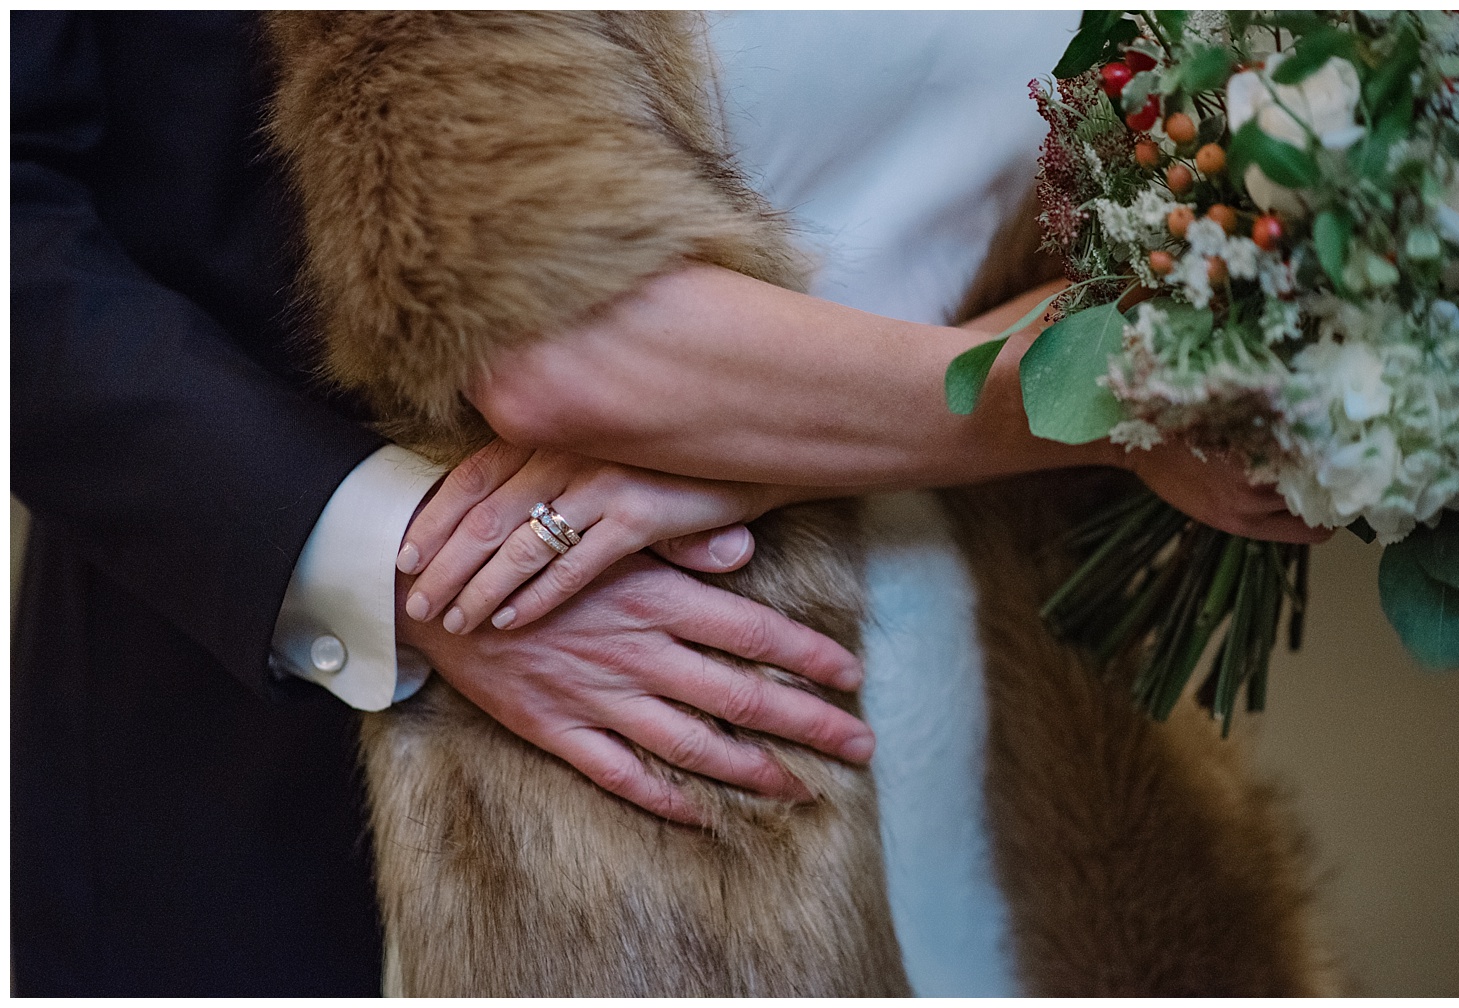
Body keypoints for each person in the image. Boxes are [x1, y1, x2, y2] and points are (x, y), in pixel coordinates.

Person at [14, 11, 1334, 996]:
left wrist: (1195, 367)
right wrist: (384, 553)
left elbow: (1220, 215)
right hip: (385, 755)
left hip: (1039, 737)